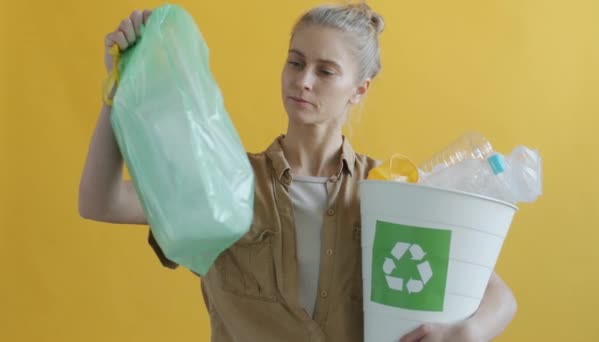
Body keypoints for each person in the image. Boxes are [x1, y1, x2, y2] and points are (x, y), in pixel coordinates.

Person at [79, 3, 517, 341]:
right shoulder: (225, 181)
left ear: (359, 90)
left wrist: (469, 331)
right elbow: (102, 201)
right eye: (295, 62)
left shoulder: (389, 192)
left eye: (325, 71)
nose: (303, 80)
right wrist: (121, 86)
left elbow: (498, 294)